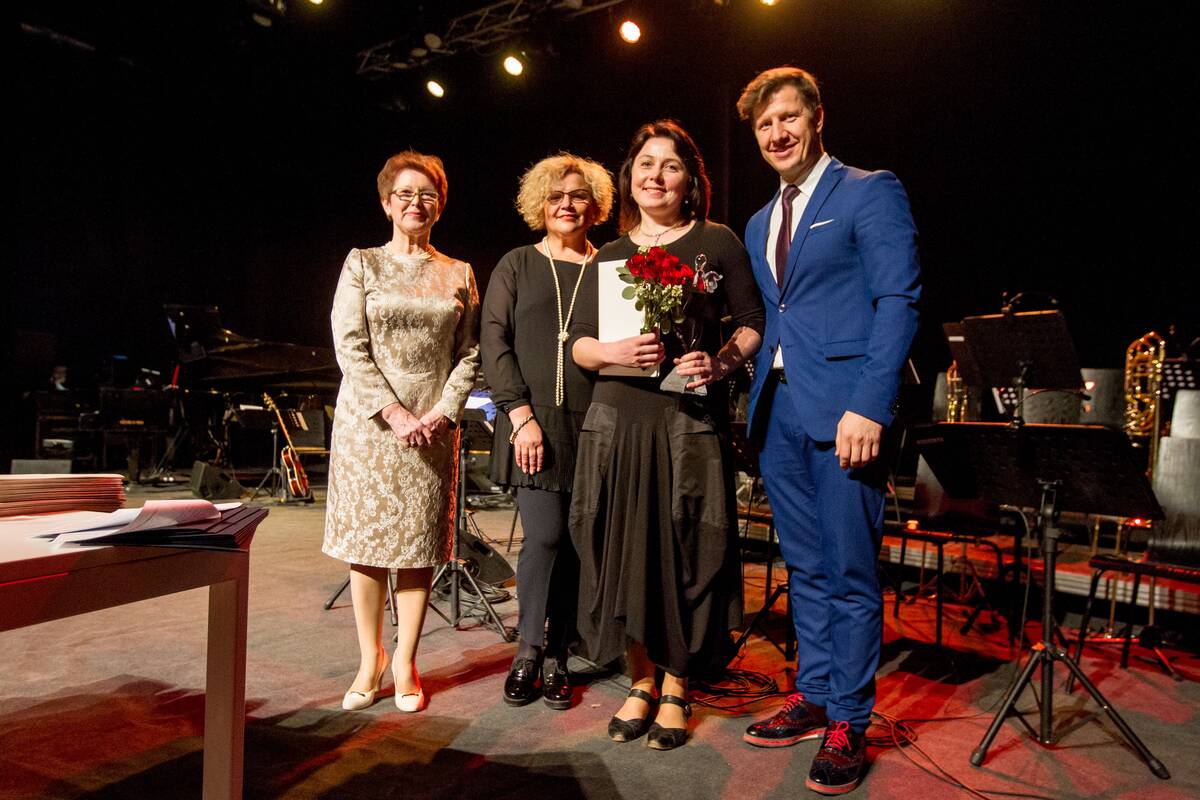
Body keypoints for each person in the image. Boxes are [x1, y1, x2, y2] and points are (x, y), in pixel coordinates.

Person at [736, 67, 921, 794]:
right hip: (778, 411)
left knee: (848, 572)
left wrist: (871, 404)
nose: (777, 133)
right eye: (764, 125)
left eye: (788, 117)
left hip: (847, 412)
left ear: (816, 117)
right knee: (805, 568)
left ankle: (849, 717)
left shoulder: (869, 191)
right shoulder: (759, 222)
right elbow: (774, 317)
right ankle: (814, 694)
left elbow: (897, 299)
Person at [569, 120, 764, 750]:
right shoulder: (609, 254)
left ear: (690, 180)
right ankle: (640, 680)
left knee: (686, 547)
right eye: (645, 164)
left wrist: (721, 362)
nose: (656, 176)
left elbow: (753, 322)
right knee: (622, 546)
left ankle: (678, 684)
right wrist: (612, 351)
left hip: (685, 420)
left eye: (670, 165)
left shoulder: (716, 241)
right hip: (618, 419)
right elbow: (579, 345)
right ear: (629, 177)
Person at [323, 150, 480, 714]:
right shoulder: (362, 263)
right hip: (370, 427)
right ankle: (370, 658)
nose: (417, 203)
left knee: (418, 548)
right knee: (367, 548)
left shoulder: (459, 272)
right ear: (387, 203)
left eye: (427, 194)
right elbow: (349, 345)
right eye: (405, 194)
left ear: (441, 204)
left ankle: (407, 660)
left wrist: (442, 412)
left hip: (432, 429)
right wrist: (392, 412)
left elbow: (470, 352)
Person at [481, 153, 615, 709]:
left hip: (597, 424)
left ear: (595, 206)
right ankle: (529, 651)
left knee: (581, 542)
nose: (567, 204)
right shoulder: (516, 263)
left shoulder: (611, 267)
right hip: (531, 424)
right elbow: (494, 341)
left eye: (578, 195)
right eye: (556, 195)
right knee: (545, 536)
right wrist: (519, 416)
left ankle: (560, 653)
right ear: (540, 202)